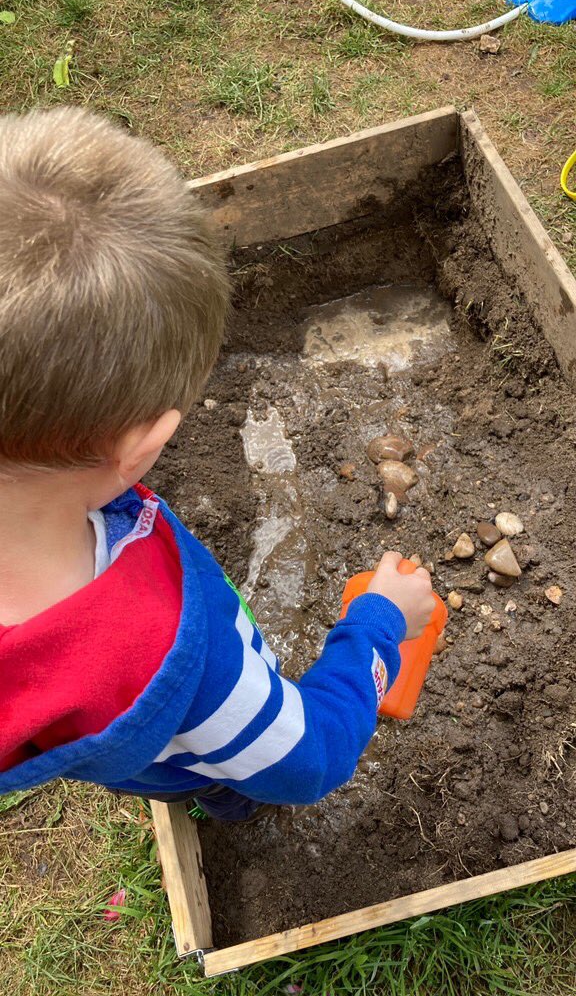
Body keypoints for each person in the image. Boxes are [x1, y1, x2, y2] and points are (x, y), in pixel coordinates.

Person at [0, 107, 435, 821]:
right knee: (233, 785)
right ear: (140, 448)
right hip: (196, 749)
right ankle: (225, 803)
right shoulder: (179, 660)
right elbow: (311, 756)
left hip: (118, 743)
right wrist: (379, 623)